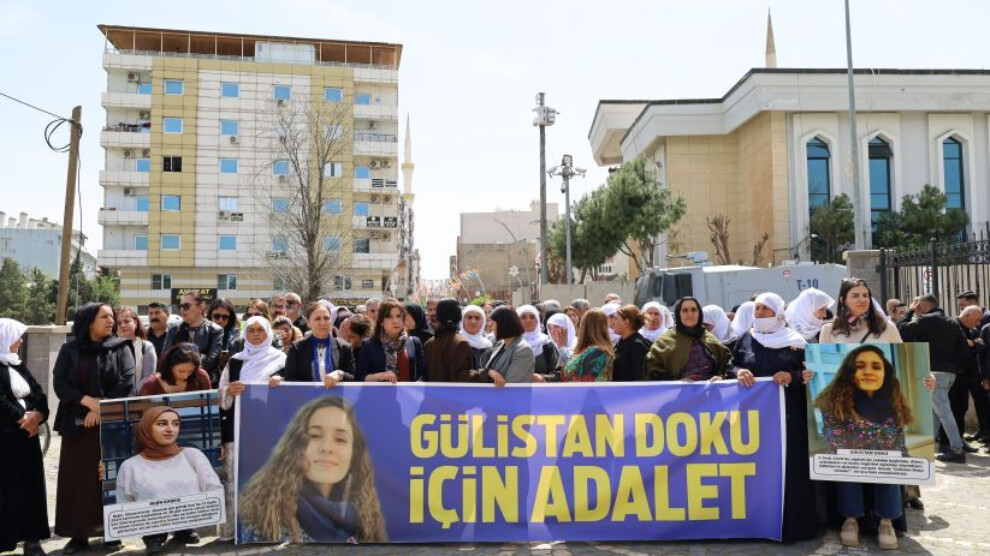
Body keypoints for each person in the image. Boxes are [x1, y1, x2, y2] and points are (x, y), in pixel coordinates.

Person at [238, 396, 387, 543]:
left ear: (354, 454)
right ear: (296, 445)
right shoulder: (266, 515)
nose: (326, 448)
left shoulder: (365, 521)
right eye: (315, 436)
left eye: (340, 439)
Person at [732, 292, 816, 542]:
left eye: (766, 309)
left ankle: (793, 526)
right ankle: (757, 523)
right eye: (757, 309)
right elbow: (731, 365)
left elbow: (809, 374)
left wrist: (792, 376)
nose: (760, 313)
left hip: (789, 418)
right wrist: (738, 372)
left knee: (789, 469)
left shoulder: (796, 342)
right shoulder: (745, 339)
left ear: (778, 313)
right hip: (754, 419)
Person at [814, 345, 915, 550]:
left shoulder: (894, 400)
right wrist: (864, 449)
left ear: (885, 372)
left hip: (882, 455)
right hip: (849, 454)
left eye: (876, 366)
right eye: (860, 366)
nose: (868, 371)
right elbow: (834, 436)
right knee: (847, 461)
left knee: (890, 463)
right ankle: (850, 520)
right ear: (850, 371)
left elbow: (898, 440)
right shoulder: (833, 399)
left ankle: (886, 523)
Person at [53, 303, 135, 554]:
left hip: (111, 424)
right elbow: (60, 382)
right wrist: (87, 402)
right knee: (78, 480)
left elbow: (127, 381)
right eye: (104, 317)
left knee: (109, 477)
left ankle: (112, 532)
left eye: (112, 316)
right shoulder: (70, 349)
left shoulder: (121, 347)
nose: (111, 321)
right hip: (77, 424)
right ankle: (78, 535)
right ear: (89, 321)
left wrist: (101, 409)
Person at [115, 406, 223, 554]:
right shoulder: (130, 466)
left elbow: (213, 488)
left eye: (175, 424)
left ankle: (184, 529)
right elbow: (124, 505)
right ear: (147, 428)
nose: (170, 429)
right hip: (149, 524)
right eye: (162, 424)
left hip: (191, 516)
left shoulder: (192, 455)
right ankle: (153, 536)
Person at [218, 316, 287, 539]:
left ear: (268, 333)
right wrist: (230, 391)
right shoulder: (235, 361)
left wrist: (281, 381)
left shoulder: (281, 360)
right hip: (239, 429)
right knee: (235, 477)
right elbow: (221, 394)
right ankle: (236, 531)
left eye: (260, 330)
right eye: (251, 330)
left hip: (270, 431)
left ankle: (270, 529)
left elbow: (293, 391)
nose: (256, 334)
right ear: (245, 334)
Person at [898, 294, 972, 462]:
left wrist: (910, 311)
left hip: (934, 374)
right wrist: (954, 369)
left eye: (917, 305)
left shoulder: (926, 320)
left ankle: (957, 450)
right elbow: (963, 349)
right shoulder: (952, 322)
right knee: (936, 413)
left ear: (922, 306)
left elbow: (901, 329)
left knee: (943, 412)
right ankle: (922, 447)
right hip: (950, 374)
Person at [0, 319, 50, 556]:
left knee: (31, 489)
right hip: (6, 438)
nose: (20, 341)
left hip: (27, 439)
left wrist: (38, 415)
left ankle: (32, 539)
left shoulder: (18, 365)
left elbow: (38, 394)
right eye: (17, 336)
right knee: (6, 490)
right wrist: (22, 418)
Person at [644, 297, 731, 382]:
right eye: (685, 310)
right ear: (678, 314)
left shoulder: (709, 337)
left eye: (693, 310)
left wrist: (721, 377)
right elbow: (652, 368)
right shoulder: (665, 341)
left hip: (711, 390)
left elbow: (728, 364)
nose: (690, 314)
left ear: (699, 313)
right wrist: (675, 382)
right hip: (678, 391)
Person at [277, 303, 356, 387]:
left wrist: (340, 374)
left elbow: (352, 378)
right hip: (306, 395)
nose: (323, 322)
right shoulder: (297, 348)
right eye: (317, 319)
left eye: (326, 318)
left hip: (335, 395)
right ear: (308, 323)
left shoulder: (344, 347)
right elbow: (290, 378)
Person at [425, 299, 503, 385]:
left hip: (433, 393)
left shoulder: (429, 343)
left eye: (477, 318)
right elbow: (461, 377)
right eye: (469, 317)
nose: (473, 321)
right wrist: (486, 373)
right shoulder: (460, 343)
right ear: (459, 317)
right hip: (454, 393)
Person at [162, 292, 224, 386]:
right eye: (180, 306)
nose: (182, 309)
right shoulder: (174, 329)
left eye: (186, 306)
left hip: (205, 383)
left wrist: (184, 369)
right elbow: (166, 357)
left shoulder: (215, 330)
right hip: (177, 384)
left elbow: (211, 360)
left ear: (201, 307)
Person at [357, 300, 426, 383]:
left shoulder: (414, 342)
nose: (395, 321)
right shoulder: (369, 345)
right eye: (389, 317)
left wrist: (419, 383)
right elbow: (360, 377)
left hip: (409, 391)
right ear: (381, 322)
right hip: (380, 391)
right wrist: (381, 376)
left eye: (398, 316)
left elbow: (423, 373)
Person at [949, 306, 988, 448]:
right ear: (967, 315)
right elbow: (960, 349)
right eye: (976, 320)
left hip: (967, 375)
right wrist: (970, 344)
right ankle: (955, 442)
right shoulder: (953, 326)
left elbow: (981, 346)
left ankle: (959, 440)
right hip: (955, 375)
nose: (978, 323)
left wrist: (973, 344)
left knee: (962, 407)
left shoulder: (972, 330)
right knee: (956, 409)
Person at [820, 279, 901, 344]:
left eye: (865, 295)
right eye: (855, 296)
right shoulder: (829, 329)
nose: (862, 300)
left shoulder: (886, 326)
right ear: (843, 300)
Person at [550, 309, 614, 382]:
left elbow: (573, 373)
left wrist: (561, 348)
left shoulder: (597, 351)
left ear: (584, 326)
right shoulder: (589, 349)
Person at [482, 306, 535, 383]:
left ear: (503, 325)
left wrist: (488, 372)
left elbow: (510, 383)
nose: (491, 328)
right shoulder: (500, 344)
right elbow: (487, 368)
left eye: (493, 324)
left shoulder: (523, 350)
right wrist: (489, 372)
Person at [137, 343, 212, 396]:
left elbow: (210, 403)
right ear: (170, 366)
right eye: (181, 371)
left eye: (190, 371)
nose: (185, 376)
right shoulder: (151, 384)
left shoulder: (201, 377)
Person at [116, 306, 158, 394]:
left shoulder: (146, 347)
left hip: (138, 398)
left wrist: (131, 395)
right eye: (119, 323)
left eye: (127, 321)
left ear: (135, 322)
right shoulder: (111, 348)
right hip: (113, 399)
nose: (123, 325)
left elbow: (147, 379)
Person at [517, 305, 561, 378]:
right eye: (523, 317)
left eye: (532, 317)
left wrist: (542, 378)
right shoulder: (511, 343)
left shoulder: (546, 344)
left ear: (537, 321)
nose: (528, 320)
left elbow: (557, 373)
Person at [612, 305, 651, 382]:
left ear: (626, 322)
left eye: (616, 319)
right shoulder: (620, 341)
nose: (613, 322)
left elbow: (639, 377)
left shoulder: (637, 346)